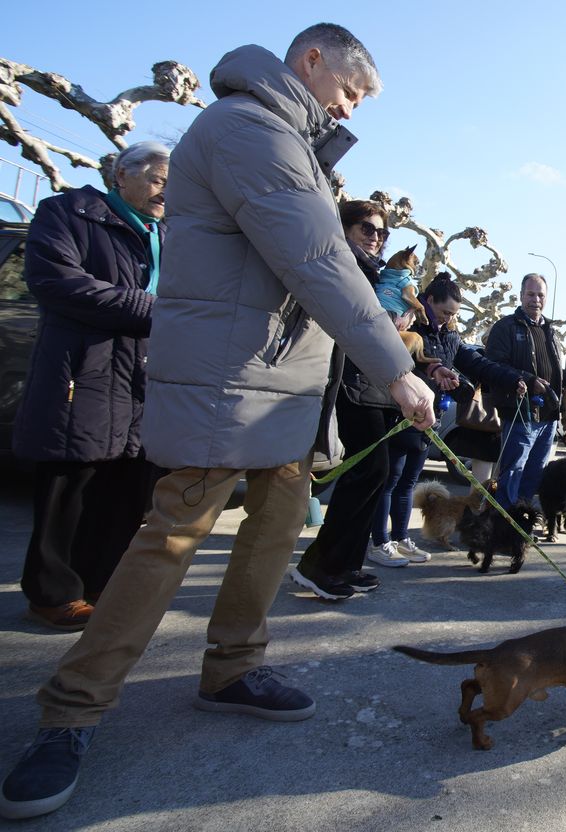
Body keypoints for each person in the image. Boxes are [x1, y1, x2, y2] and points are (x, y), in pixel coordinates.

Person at [0, 25, 436, 821]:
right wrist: (395, 366)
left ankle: (233, 666)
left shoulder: (292, 140)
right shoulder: (249, 129)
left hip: (284, 378)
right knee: (172, 531)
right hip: (233, 372)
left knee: (274, 529)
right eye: (352, 87)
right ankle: (71, 707)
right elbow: (316, 259)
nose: (355, 105)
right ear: (311, 61)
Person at [13, 141, 170, 632]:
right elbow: (56, 281)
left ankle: (103, 583)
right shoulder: (69, 213)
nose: (167, 193)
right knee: (70, 484)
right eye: (160, 180)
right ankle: (53, 593)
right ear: (122, 174)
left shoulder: (170, 233)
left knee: (127, 487)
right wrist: (159, 312)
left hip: (144, 377)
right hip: (85, 373)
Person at [290, 200, 423, 599]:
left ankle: (343, 563)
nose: (377, 238)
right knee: (365, 473)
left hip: (370, 385)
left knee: (372, 474)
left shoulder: (375, 274)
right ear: (343, 228)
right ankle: (321, 565)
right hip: (344, 382)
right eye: (367, 228)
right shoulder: (338, 264)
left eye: (383, 233)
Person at [375, 272, 523, 545]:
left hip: (430, 418)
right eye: (445, 312)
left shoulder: (450, 335)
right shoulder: (409, 326)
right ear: (428, 300)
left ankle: (400, 537)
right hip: (401, 413)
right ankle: (381, 541)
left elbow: (478, 364)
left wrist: (514, 378)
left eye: (453, 314)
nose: (448, 318)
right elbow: (406, 362)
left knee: (410, 482)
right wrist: (433, 373)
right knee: (390, 480)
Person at [486, 273, 566, 508]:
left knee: (535, 473)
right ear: (521, 295)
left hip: (548, 417)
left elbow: (554, 372)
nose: (536, 299)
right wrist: (526, 380)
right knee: (513, 471)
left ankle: (521, 522)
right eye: (531, 294)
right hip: (519, 412)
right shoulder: (506, 327)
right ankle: (504, 522)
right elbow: (493, 365)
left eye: (540, 295)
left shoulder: (551, 330)